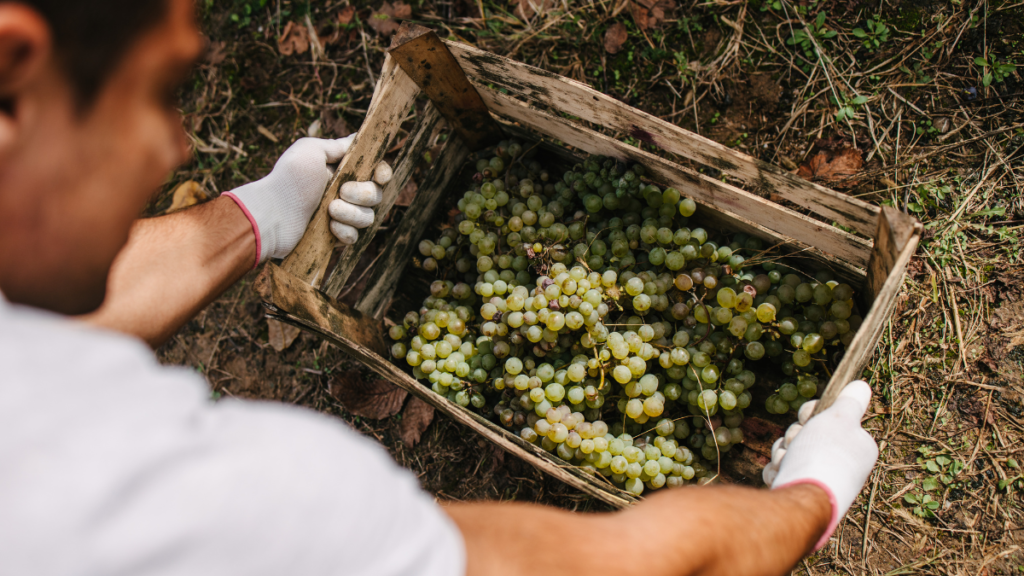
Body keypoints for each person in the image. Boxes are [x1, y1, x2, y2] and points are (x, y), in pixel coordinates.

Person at [0, 0, 879, 574]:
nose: (176, 149)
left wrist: (261, 214)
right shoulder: (227, 508)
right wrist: (811, 499)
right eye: (157, 92)